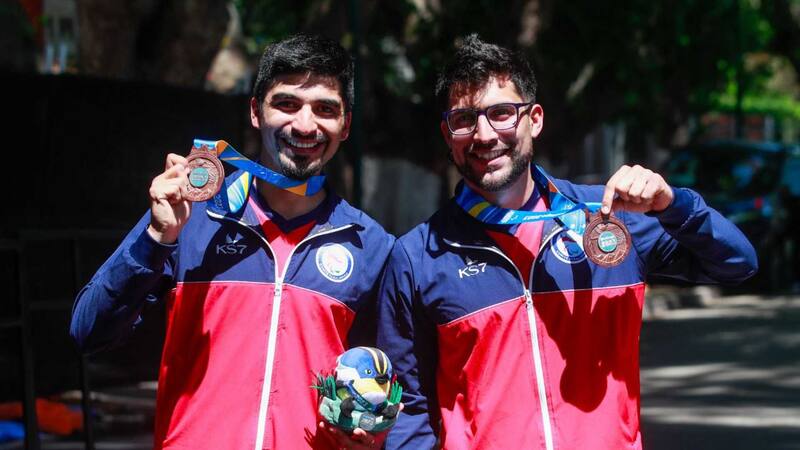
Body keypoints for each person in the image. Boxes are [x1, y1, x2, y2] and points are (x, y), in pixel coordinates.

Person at [376, 34, 757, 450]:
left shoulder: (613, 217)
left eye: (501, 113)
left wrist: (674, 204)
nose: (483, 135)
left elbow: (738, 263)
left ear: (534, 119)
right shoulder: (417, 255)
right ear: (448, 134)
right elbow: (407, 408)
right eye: (464, 119)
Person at [71, 35, 394, 449]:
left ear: (346, 125)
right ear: (256, 111)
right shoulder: (191, 216)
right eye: (287, 103)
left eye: (325, 109)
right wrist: (158, 239)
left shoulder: (371, 245)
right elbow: (88, 331)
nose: (305, 125)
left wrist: (377, 437)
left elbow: (394, 384)